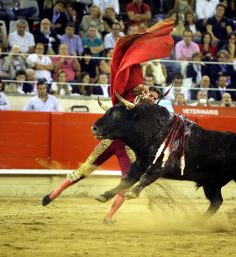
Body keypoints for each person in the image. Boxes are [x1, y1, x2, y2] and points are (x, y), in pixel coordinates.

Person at [41, 18, 175, 226]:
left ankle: (100, 213)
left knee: (115, 178)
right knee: (101, 173)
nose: (149, 96)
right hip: (119, 142)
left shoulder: (143, 100)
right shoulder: (137, 94)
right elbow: (134, 100)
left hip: (120, 142)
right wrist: (142, 98)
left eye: (151, 95)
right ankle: (57, 194)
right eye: (149, 94)